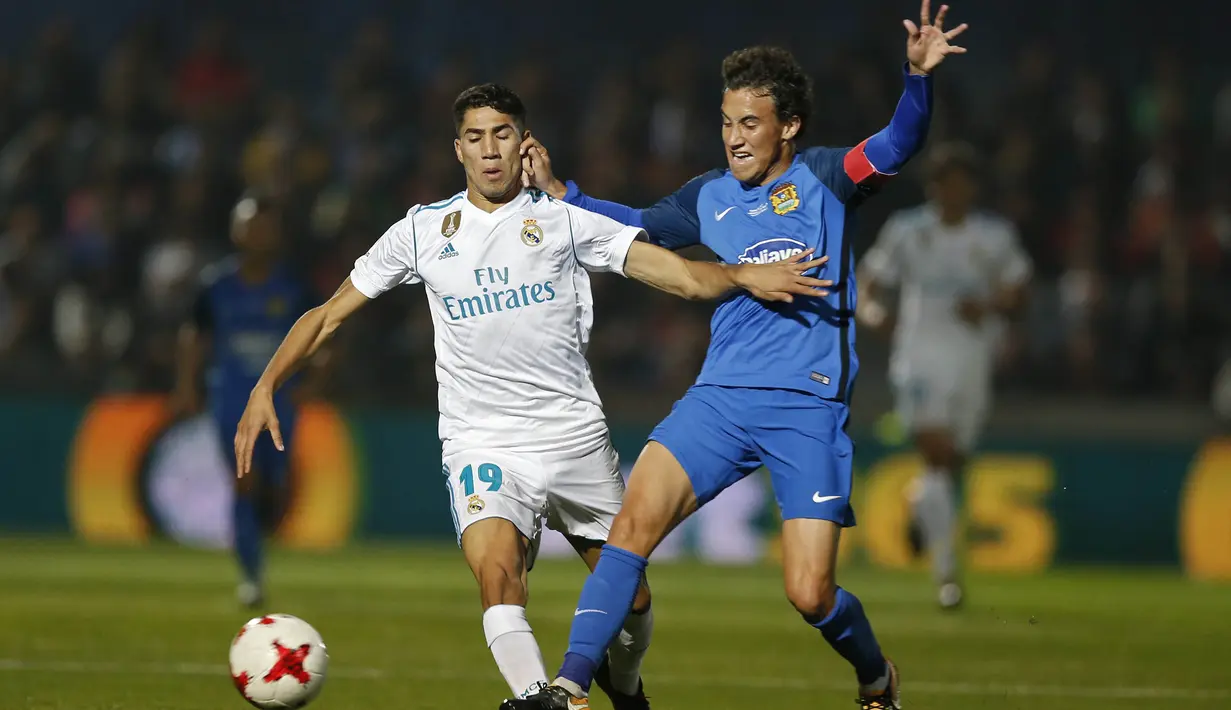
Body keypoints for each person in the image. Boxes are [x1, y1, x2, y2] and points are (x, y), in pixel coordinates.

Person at [232, 83, 833, 707]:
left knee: (632, 600)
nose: (489, 150)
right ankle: (537, 698)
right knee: (499, 576)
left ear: (524, 143)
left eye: (501, 134)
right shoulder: (422, 231)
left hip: (572, 436)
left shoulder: (565, 222)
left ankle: (626, 691)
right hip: (482, 440)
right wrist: (266, 383)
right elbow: (328, 314)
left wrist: (742, 274)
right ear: (457, 149)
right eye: (475, 137)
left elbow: (677, 275)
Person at [504, 3, 966, 708]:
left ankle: (876, 679)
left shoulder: (828, 178)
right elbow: (636, 226)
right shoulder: (709, 197)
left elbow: (897, 144)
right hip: (718, 398)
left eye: (749, 123)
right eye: (725, 123)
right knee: (631, 528)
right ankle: (568, 688)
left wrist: (915, 78)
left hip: (806, 407)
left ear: (788, 126)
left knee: (808, 592)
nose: (733, 138)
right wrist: (566, 195)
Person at [857, 141, 1031, 609]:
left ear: (970, 187)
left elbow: (1019, 291)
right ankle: (946, 573)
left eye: (959, 181)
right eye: (943, 181)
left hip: (973, 360)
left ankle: (919, 502)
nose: (951, 190)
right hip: (918, 357)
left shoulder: (992, 237)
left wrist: (991, 304)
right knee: (937, 453)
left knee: (952, 462)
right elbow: (869, 283)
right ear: (933, 187)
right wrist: (872, 313)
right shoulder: (908, 231)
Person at [173, 189, 317, 608]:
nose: (256, 234)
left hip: (281, 402)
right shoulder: (215, 286)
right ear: (236, 231)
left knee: (272, 489)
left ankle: (257, 549)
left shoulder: (292, 287)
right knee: (244, 483)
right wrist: (187, 385)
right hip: (232, 400)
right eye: (249, 225)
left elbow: (322, 334)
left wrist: (317, 379)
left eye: (264, 226)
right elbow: (194, 336)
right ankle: (251, 577)